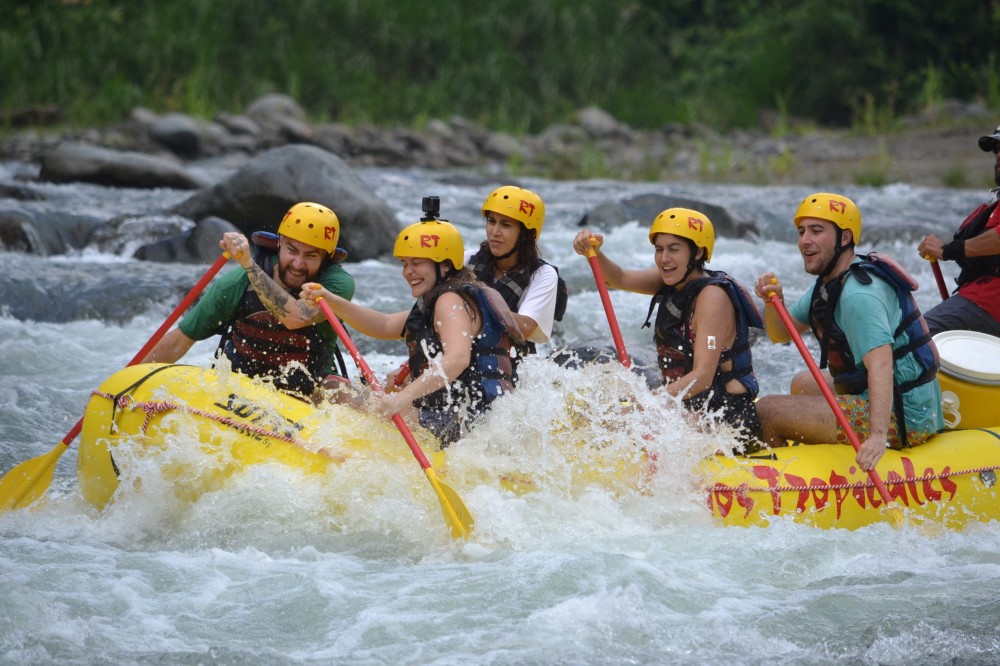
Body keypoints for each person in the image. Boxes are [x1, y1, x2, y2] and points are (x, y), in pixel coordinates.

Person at [754, 192, 943, 471]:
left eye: (817, 231)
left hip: (903, 415)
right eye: (801, 231)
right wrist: (775, 303)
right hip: (886, 394)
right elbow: (782, 334)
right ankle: (817, 459)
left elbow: (880, 364)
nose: (804, 240)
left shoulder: (859, 296)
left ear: (844, 238)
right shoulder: (832, 281)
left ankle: (780, 483)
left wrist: (877, 437)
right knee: (802, 384)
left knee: (767, 411)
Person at [304, 215, 524, 446]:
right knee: (357, 396)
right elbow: (383, 324)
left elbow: (457, 359)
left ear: (445, 265)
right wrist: (330, 299)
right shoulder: (447, 297)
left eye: (417, 262)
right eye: (404, 263)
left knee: (341, 394)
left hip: (468, 423)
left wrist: (400, 399)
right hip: (477, 419)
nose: (408, 271)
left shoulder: (449, 300)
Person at [571, 208, 764, 447]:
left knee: (623, 427)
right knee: (601, 418)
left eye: (674, 249)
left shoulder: (712, 298)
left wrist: (649, 402)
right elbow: (616, 278)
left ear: (698, 252)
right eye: (659, 249)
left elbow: (703, 377)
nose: (664, 258)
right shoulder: (673, 281)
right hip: (690, 407)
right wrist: (595, 253)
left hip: (727, 417)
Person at [141, 202, 356, 399]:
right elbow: (181, 339)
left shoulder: (336, 286)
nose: (298, 264)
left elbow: (296, 318)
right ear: (279, 243)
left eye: (311, 256)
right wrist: (130, 379)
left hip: (312, 386)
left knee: (349, 397)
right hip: (240, 382)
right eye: (292, 250)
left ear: (326, 258)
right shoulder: (237, 283)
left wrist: (247, 264)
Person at [466, 186, 564, 367]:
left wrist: (474, 304)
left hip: (509, 370)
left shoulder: (542, 274)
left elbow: (525, 328)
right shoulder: (467, 260)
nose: (495, 231)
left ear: (526, 235)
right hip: (462, 361)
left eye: (506, 225)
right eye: (491, 221)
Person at [916, 124, 1000, 337]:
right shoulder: (993, 203)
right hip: (982, 301)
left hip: (989, 303)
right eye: (997, 149)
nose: (999, 156)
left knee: (913, 338)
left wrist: (947, 250)